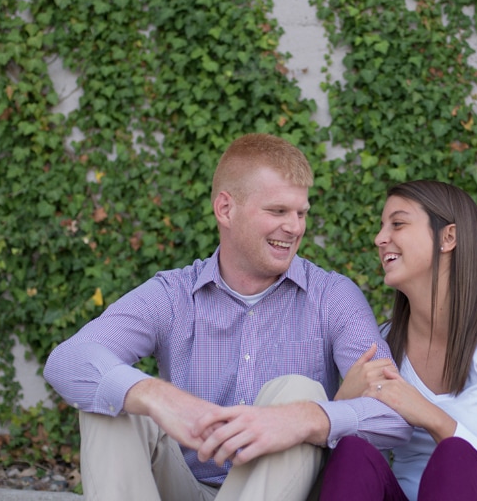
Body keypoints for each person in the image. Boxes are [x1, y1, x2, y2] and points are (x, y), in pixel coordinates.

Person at [43, 133, 411, 501]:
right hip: (184, 486)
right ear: (225, 209)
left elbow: (395, 415)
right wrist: (154, 395)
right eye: (278, 211)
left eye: (301, 213)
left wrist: (304, 418)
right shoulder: (173, 295)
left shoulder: (332, 296)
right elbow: (68, 358)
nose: (295, 227)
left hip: (288, 491)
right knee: (111, 398)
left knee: (299, 392)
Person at [319, 180, 477, 501]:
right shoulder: (383, 344)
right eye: (382, 226)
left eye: (397, 224)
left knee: (455, 456)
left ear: (448, 237)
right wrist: (343, 402)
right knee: (352, 454)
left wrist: (431, 416)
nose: (379, 238)